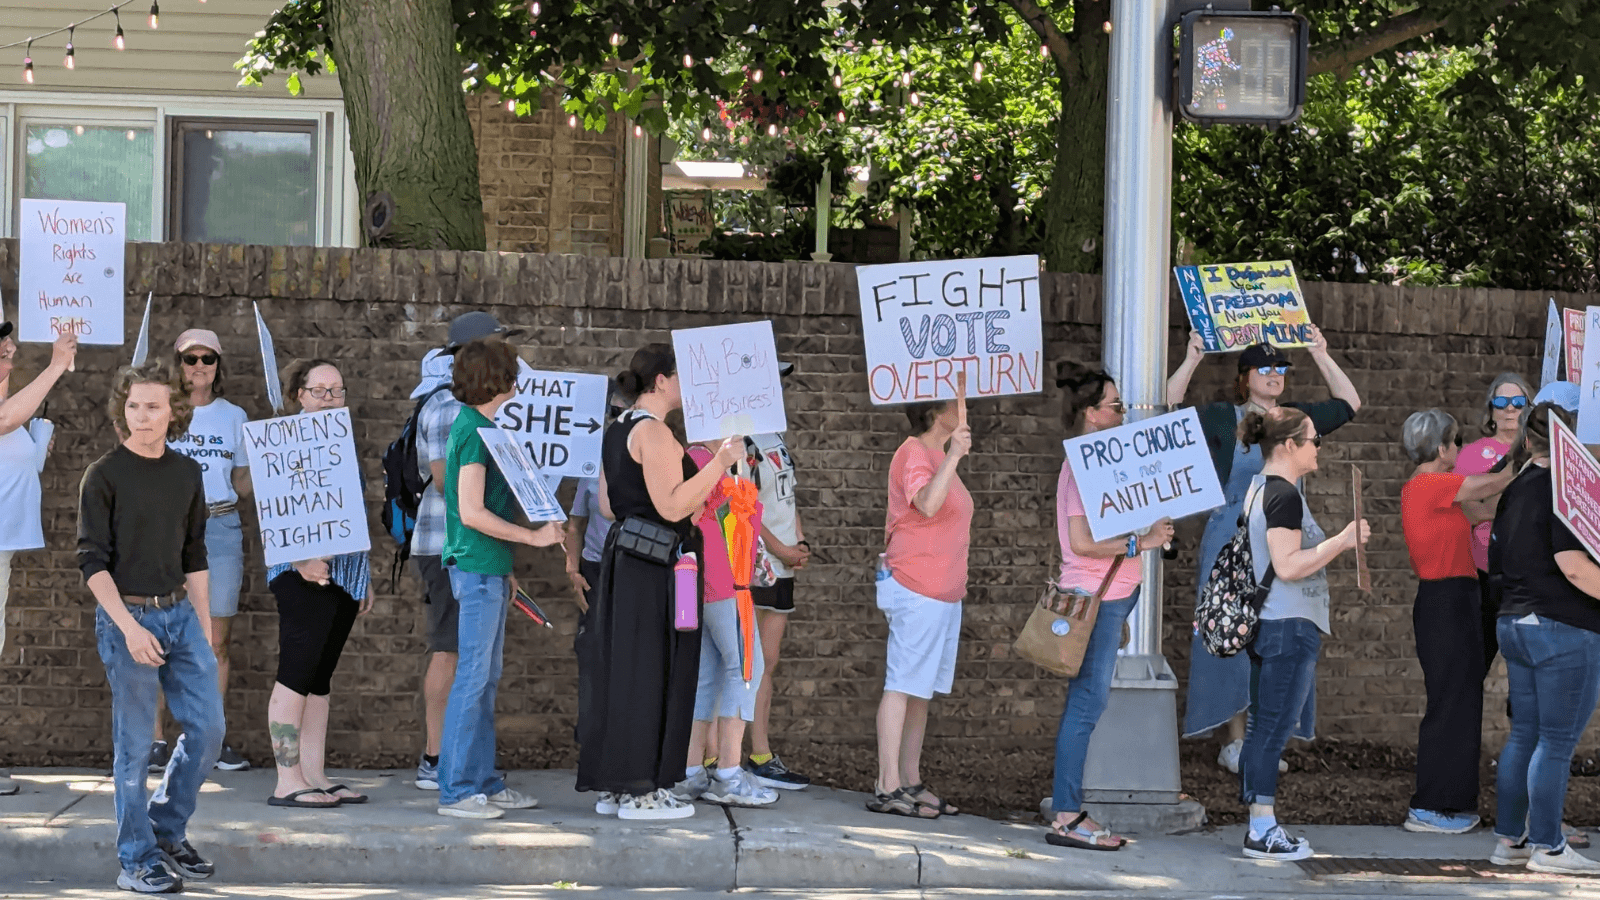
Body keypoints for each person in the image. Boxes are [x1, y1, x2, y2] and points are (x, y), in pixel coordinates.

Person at [1166, 331, 1362, 770]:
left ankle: (1260, 738)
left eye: (1280, 369)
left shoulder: (1297, 419)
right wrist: (1192, 357)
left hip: (1281, 536)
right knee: (1233, 633)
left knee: (1275, 634)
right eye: (1264, 369)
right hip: (1230, 539)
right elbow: (1165, 405)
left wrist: (1320, 353)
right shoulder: (1221, 417)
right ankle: (1234, 741)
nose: (1275, 376)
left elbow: (1350, 404)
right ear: (1244, 377)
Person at [78, 362, 224, 893]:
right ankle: (135, 859)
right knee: (135, 746)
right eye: (134, 405)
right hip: (127, 617)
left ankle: (165, 830)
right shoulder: (104, 475)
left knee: (208, 731)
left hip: (181, 615)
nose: (143, 416)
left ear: (173, 412)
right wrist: (129, 630)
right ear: (124, 409)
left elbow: (196, 554)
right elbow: (92, 563)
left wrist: (204, 627)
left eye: (154, 406)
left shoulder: (187, 473)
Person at [577, 343, 739, 821]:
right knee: (652, 672)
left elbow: (607, 506)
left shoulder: (617, 429)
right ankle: (642, 788)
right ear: (662, 381)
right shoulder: (657, 433)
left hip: (625, 559)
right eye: (683, 376)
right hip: (657, 566)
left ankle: (618, 784)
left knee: (624, 669)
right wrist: (718, 464)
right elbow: (672, 506)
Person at [1045, 365, 1175, 851]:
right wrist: (1143, 541)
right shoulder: (1080, 466)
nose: (1122, 413)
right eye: (1115, 406)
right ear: (1090, 413)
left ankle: (1068, 810)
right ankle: (1066, 814)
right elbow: (1082, 542)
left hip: (1113, 596)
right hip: (1095, 595)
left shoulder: (1100, 463)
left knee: (1089, 700)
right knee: (1086, 703)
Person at [437, 337, 563, 819]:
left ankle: (483, 782)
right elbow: (470, 511)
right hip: (474, 566)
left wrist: (507, 567)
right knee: (473, 678)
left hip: (486, 569)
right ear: (500, 378)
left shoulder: (480, 425)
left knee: (484, 678)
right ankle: (457, 789)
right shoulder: (472, 430)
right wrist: (531, 540)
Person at [1234, 406, 1368, 861]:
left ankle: (1259, 821)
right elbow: (1289, 566)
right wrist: (1341, 541)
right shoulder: (1282, 495)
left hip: (1273, 624)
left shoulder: (1260, 489)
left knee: (1261, 728)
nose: (1318, 447)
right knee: (1272, 730)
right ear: (1289, 445)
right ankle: (1262, 829)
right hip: (1287, 625)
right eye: (1313, 439)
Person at [1488, 402, 1600, 873]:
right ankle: (1549, 848)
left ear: (1529, 441)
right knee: (1555, 742)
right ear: (1567, 440)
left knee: (1526, 736)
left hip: (1515, 623)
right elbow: (1573, 566)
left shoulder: (1515, 488)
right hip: (1562, 627)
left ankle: (1510, 841)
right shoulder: (1565, 489)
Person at [409, 311, 518, 792]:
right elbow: (456, 493)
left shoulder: (478, 420)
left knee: (478, 670)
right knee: (458, 661)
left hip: (480, 553)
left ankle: (472, 775)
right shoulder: (458, 417)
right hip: (454, 548)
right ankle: (446, 773)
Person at [1398, 409, 1516, 834]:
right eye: (1456, 441)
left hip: (1458, 598)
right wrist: (1530, 451)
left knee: (1462, 701)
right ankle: (1431, 807)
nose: (1461, 448)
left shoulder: (1439, 493)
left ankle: (1453, 804)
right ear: (1442, 448)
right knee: (1450, 703)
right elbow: (1494, 482)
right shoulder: (1430, 485)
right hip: (1444, 601)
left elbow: (1485, 510)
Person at [265, 359, 373, 809]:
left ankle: (315, 772)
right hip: (299, 574)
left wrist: (363, 577)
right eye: (319, 390)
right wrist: (299, 558)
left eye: (336, 390)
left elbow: (352, 514)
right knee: (295, 674)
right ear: (299, 395)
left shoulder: (343, 441)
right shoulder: (283, 442)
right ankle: (286, 779)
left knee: (320, 678)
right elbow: (271, 508)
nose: (329, 398)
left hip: (343, 576)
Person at [866, 398, 971, 820]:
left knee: (920, 691)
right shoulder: (913, 452)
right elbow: (926, 504)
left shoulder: (939, 455)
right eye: (956, 403)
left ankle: (910, 779)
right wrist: (955, 457)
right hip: (916, 587)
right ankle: (887, 784)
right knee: (902, 683)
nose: (965, 410)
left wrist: (952, 457)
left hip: (943, 592)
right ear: (935, 411)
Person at [157, 329, 253, 774]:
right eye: (190, 359)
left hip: (220, 524)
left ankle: (208, 740)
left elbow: (242, 484)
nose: (199, 366)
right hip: (167, 527)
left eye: (207, 359)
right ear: (177, 364)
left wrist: (278, 455)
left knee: (217, 638)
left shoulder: (235, 416)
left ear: (218, 364)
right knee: (160, 635)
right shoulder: (161, 409)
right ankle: (157, 740)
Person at [670, 441, 778, 808]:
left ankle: (690, 771)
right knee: (747, 669)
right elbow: (686, 509)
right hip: (723, 579)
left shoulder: (708, 457)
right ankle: (729, 774)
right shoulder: (702, 457)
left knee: (710, 675)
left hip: (716, 579)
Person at [0, 322, 76, 797]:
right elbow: (4, 421)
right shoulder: (11, 408)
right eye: (0, 341)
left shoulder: (15, 401)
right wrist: (55, 364)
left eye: (7, 340)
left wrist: (36, 453)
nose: (8, 345)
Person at [743, 360, 813, 791]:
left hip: (783, 561)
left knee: (768, 662)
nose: (780, 388)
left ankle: (760, 752)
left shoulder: (775, 436)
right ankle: (720, 756)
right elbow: (744, 508)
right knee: (743, 662)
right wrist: (779, 547)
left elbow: (786, 498)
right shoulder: (743, 441)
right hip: (757, 563)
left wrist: (800, 542)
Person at [1453, 373, 1533, 668]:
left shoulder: (1543, 453)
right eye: (1501, 402)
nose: (1510, 409)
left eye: (1518, 401)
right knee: (1476, 659)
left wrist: (1491, 502)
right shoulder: (1473, 454)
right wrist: (1512, 506)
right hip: (1485, 569)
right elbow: (1466, 509)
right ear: (1491, 410)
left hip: (1530, 571)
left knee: (1528, 664)